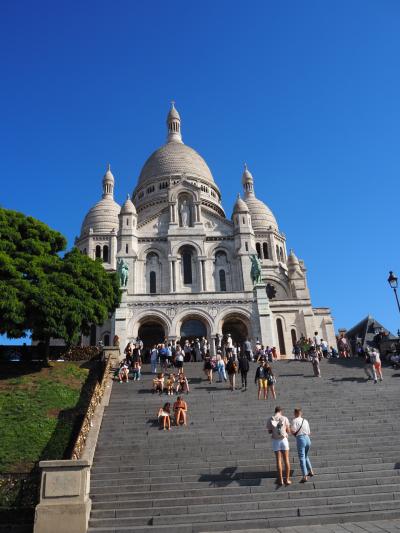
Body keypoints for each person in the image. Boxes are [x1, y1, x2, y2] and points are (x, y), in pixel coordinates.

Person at [267, 406, 292, 486]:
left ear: (275, 411)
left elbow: (269, 431)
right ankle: (287, 479)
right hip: (284, 440)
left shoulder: (270, 419)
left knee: (278, 460)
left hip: (275, 441)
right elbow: (288, 430)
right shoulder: (284, 418)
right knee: (286, 459)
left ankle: (280, 479)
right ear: (281, 411)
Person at [291, 407, 314, 483]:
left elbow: (293, 431)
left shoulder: (294, 421)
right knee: (306, 456)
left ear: (295, 413)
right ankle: (311, 470)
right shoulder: (305, 420)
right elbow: (309, 432)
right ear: (301, 413)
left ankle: (305, 476)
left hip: (300, 439)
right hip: (307, 439)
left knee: (301, 457)